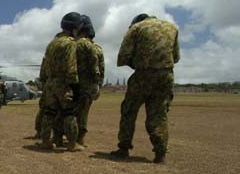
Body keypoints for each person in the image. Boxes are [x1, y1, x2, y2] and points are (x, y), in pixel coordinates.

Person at [110, 14, 180, 163]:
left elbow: (123, 56)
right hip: (166, 75)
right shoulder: (172, 28)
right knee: (159, 113)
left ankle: (123, 148)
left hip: (143, 74)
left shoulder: (136, 28)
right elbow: (176, 57)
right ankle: (160, 154)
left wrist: (139, 64)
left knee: (129, 110)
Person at [38, 12, 84, 152]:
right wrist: (75, 86)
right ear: (74, 27)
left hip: (50, 83)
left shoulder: (52, 43)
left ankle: (45, 141)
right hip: (63, 83)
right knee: (69, 113)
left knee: (49, 113)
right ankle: (72, 143)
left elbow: (45, 66)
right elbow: (71, 66)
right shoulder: (70, 43)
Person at [74, 15, 103, 147]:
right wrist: (98, 85)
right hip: (90, 85)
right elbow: (100, 69)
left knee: (71, 111)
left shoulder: (74, 45)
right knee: (84, 113)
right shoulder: (97, 48)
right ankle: (79, 138)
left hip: (75, 83)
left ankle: (71, 137)